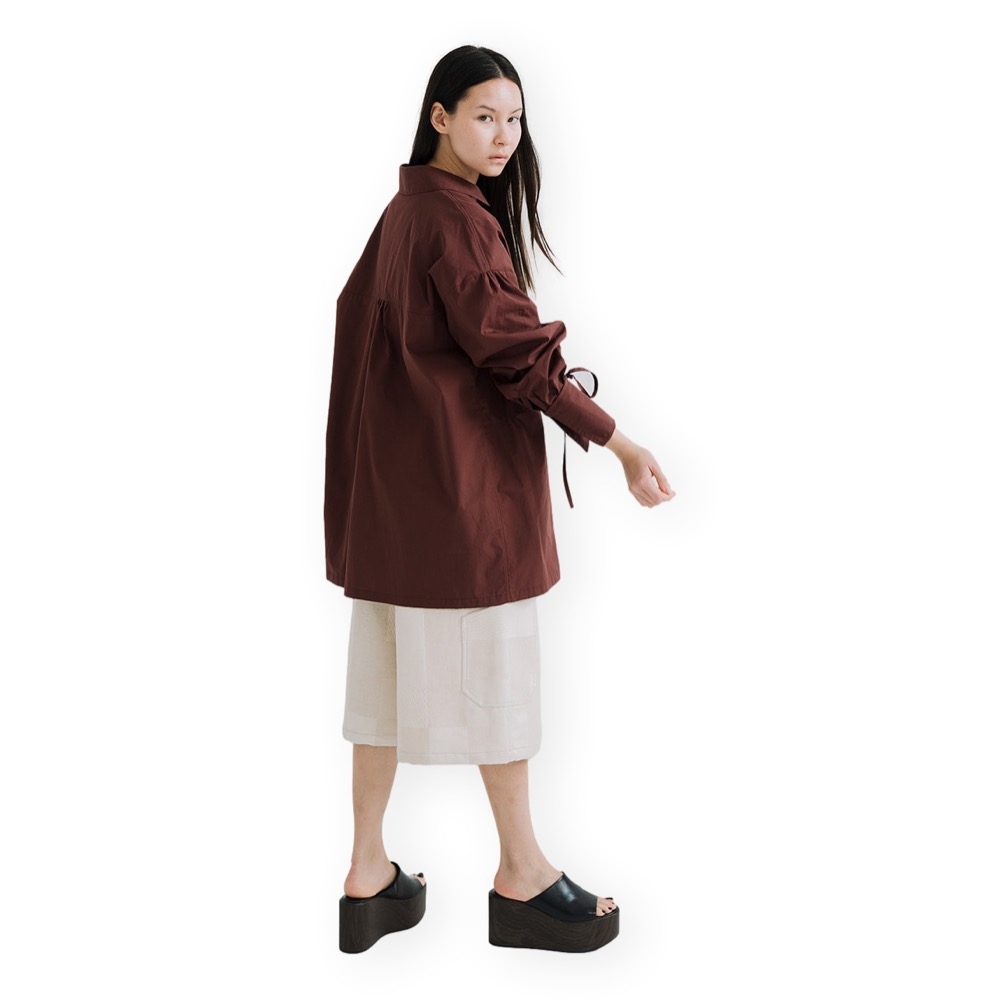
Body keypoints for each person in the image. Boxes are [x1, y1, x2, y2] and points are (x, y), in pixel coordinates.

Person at [324, 44, 674, 954]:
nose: (504, 135)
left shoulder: (405, 212)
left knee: (382, 685)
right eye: (484, 116)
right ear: (438, 117)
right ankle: (523, 874)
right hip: (462, 507)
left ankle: (367, 871)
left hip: (396, 511)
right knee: (502, 688)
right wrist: (619, 442)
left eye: (514, 118)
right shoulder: (456, 222)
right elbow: (517, 353)